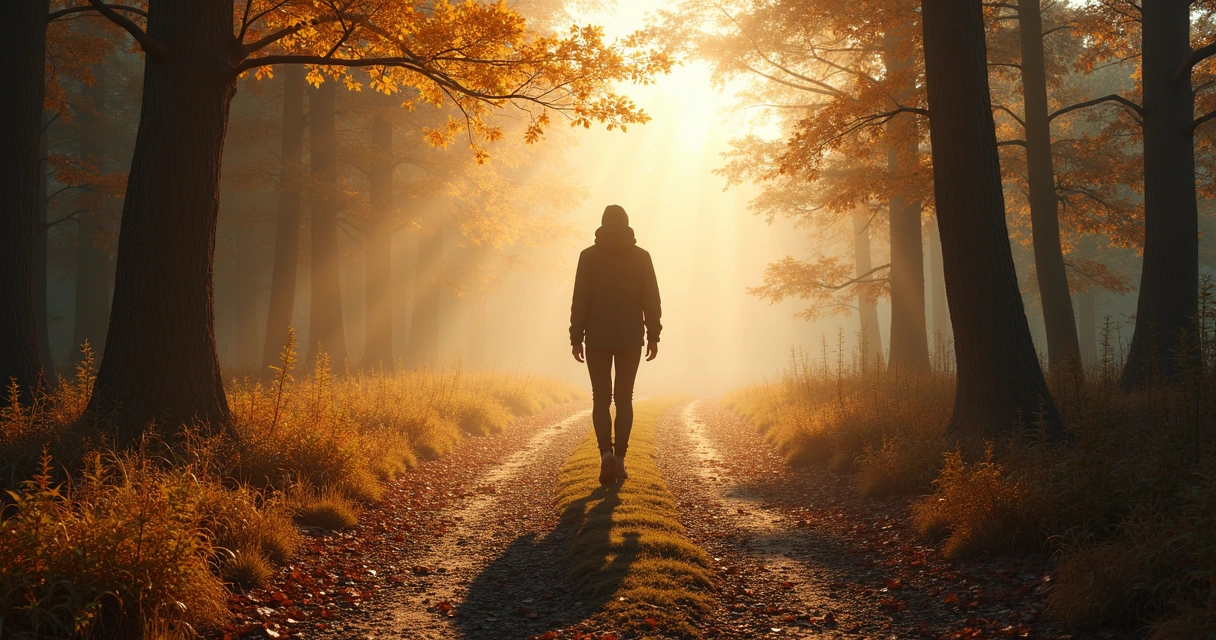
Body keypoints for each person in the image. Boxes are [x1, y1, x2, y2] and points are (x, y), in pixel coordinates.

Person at [569, 204, 662, 485]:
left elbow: (580, 300)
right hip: (630, 337)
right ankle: (620, 459)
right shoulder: (642, 257)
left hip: (596, 338)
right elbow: (652, 300)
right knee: (624, 399)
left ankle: (605, 454)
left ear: (602, 224)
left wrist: (576, 338)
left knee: (601, 398)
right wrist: (654, 335)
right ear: (626, 224)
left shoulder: (588, 256)